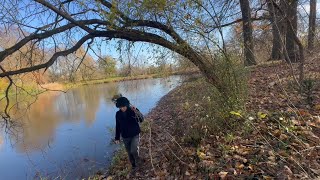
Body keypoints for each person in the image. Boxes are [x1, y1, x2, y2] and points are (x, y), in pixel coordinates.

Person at [113, 96, 144, 171]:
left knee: (134, 150)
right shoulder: (118, 114)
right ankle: (133, 165)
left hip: (135, 134)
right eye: (120, 107)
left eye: (123, 106)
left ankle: (138, 163)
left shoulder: (133, 110)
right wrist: (117, 137)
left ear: (126, 105)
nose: (122, 108)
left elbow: (141, 119)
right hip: (125, 136)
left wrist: (136, 110)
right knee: (129, 153)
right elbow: (118, 126)